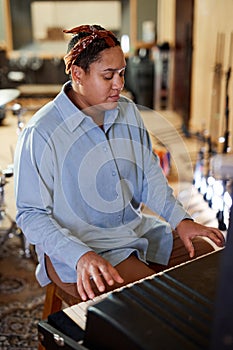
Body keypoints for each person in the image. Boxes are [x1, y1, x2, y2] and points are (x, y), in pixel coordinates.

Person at [14, 24, 225, 303]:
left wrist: (180, 219)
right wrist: (80, 256)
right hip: (80, 249)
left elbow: (149, 175)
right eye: (108, 75)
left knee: (211, 266)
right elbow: (30, 214)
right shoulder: (41, 132)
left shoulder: (127, 113)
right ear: (78, 74)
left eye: (122, 73)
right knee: (151, 299)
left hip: (135, 233)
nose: (119, 84)